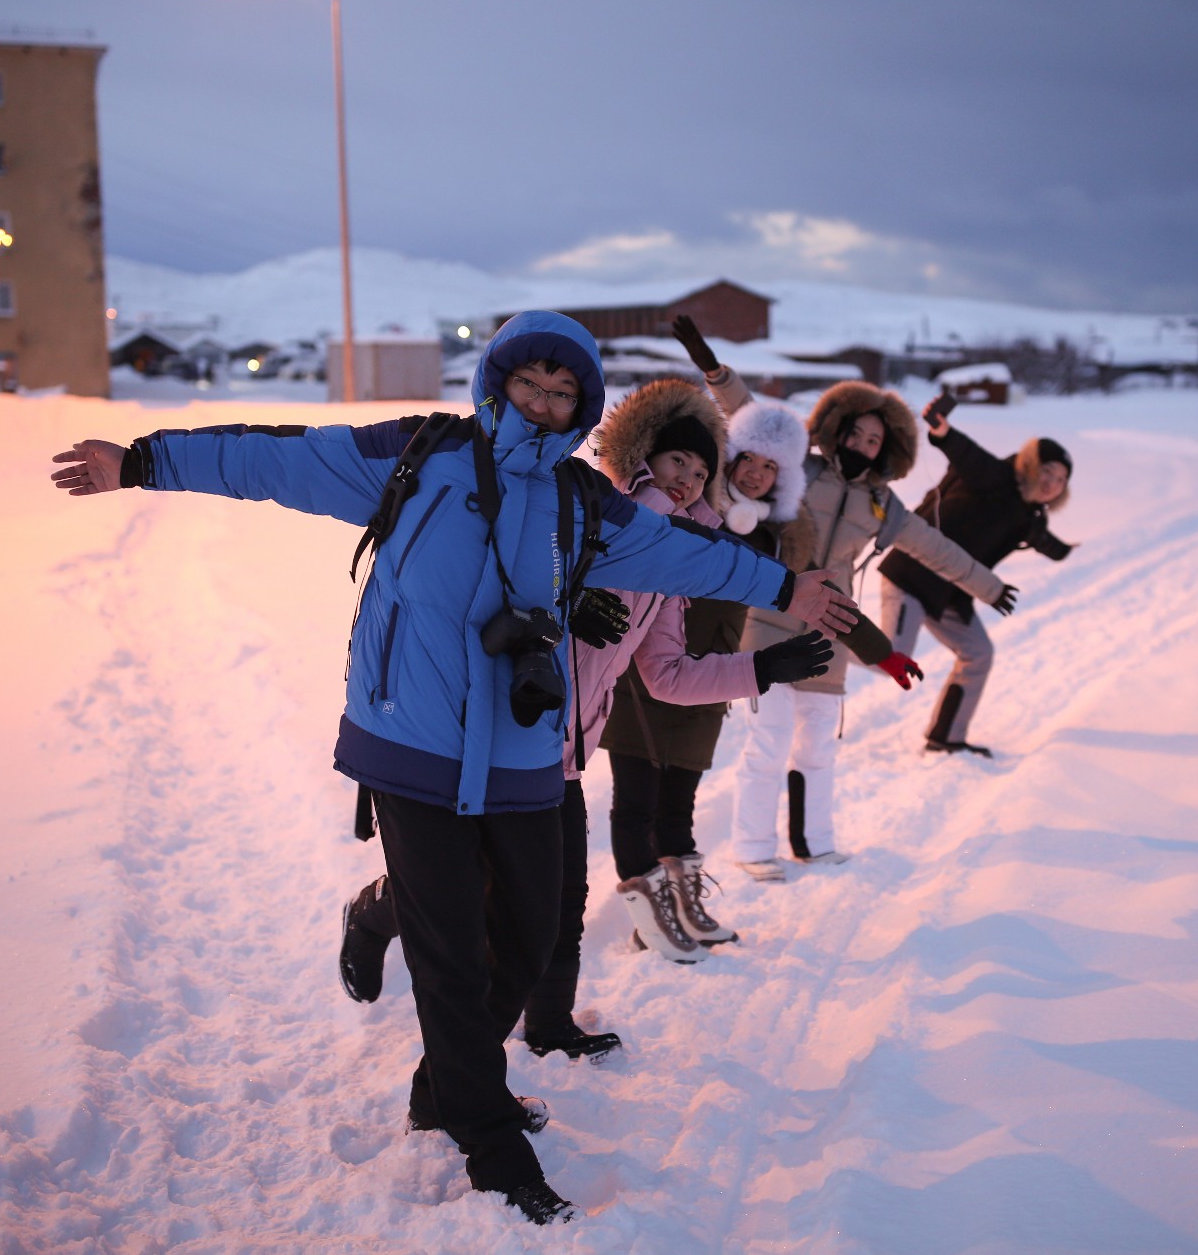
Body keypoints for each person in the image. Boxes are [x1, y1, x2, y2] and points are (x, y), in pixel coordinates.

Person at [48, 311, 857, 1226]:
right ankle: (486, 1138)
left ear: (580, 406)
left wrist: (787, 588)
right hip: (410, 739)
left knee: (530, 927)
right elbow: (273, 459)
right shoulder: (417, 456)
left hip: (522, 748)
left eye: (564, 395)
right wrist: (145, 460)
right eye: (531, 386)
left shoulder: (581, 505)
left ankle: (446, 1082)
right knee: (451, 952)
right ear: (498, 380)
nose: (545, 406)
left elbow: (685, 553)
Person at [339, 380, 835, 1065]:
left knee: (558, 896)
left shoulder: (671, 565)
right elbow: (493, 581)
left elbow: (667, 673)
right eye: (676, 464)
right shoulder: (581, 512)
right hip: (492, 734)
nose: (688, 480)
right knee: (469, 884)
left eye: (700, 470)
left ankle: (548, 1022)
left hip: (562, 751)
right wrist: (567, 607)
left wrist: (761, 667)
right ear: (643, 456)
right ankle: (378, 913)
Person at [671, 316, 1012, 880]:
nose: (860, 443)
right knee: (769, 741)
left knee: (819, 746)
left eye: (873, 439)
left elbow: (936, 548)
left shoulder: (882, 505)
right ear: (837, 428)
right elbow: (748, 412)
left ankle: (814, 842)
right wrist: (714, 368)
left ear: (889, 448)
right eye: (854, 432)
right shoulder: (800, 465)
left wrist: (989, 585)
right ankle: (753, 848)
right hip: (767, 619)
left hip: (830, 631)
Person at [600, 389, 918, 919]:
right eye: (749, 461)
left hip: (714, 675)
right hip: (644, 669)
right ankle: (649, 919)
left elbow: (819, 597)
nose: (756, 475)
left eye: (773, 469)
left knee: (679, 804)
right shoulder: (696, 519)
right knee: (635, 800)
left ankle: (682, 911)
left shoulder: (775, 539)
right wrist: (717, 375)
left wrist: (879, 652)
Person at [878, 401, 1075, 757]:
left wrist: (1063, 550)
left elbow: (1040, 537)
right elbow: (965, 453)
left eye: (1061, 480)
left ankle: (946, 737)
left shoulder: (1029, 513)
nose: (1052, 483)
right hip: (912, 575)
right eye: (1048, 471)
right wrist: (942, 429)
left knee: (978, 653)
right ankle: (808, 642)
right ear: (1031, 463)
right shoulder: (994, 476)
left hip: (950, 593)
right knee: (888, 655)